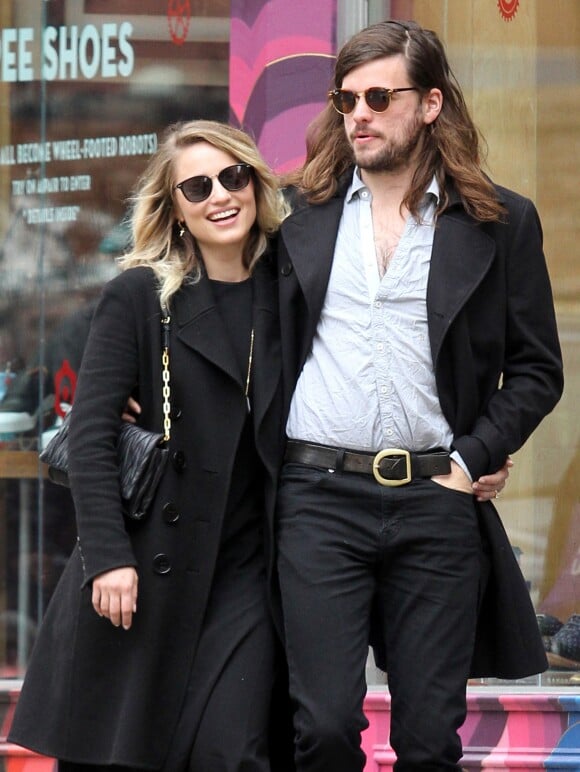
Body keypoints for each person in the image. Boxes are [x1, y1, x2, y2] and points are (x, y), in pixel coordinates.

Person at [275, 20, 563, 772]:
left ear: (431, 103)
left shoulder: (500, 223)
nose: (358, 115)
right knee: (326, 728)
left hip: (437, 499)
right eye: (345, 99)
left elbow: (538, 369)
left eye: (378, 96)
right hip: (316, 497)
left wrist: (475, 457)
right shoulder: (295, 216)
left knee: (430, 740)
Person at [8, 119, 292, 771]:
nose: (220, 195)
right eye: (197, 187)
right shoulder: (140, 295)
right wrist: (107, 557)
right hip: (146, 564)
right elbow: (91, 431)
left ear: (255, 181)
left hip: (247, 569)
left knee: (236, 749)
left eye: (233, 176)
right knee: (124, 754)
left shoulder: (290, 295)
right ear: (176, 209)